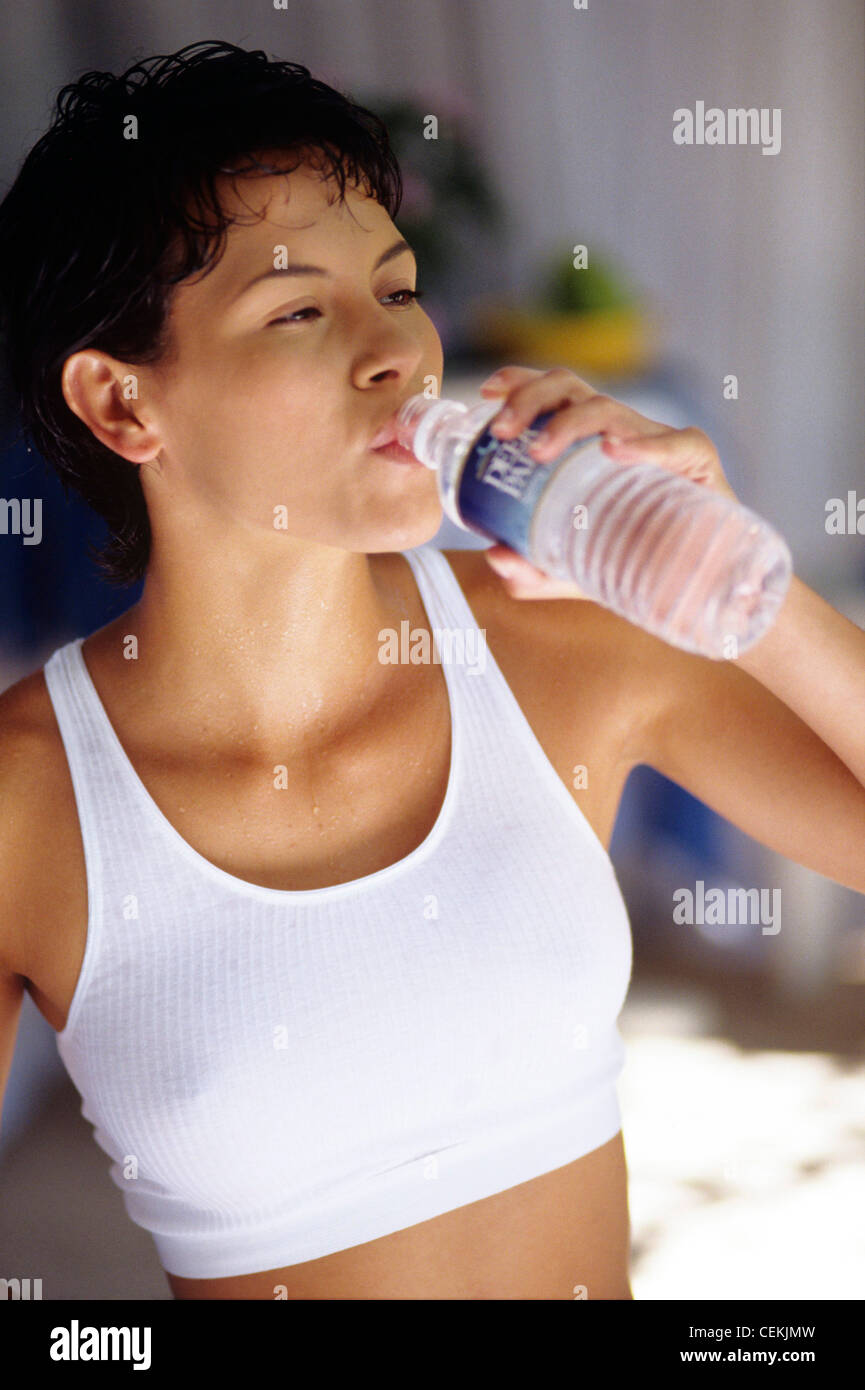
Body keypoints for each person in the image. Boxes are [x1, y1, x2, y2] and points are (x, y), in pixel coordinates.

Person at [2, 40, 865, 1303]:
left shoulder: (557, 641)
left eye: (397, 290)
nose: (397, 353)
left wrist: (744, 579)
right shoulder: (29, 805)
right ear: (124, 406)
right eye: (300, 309)